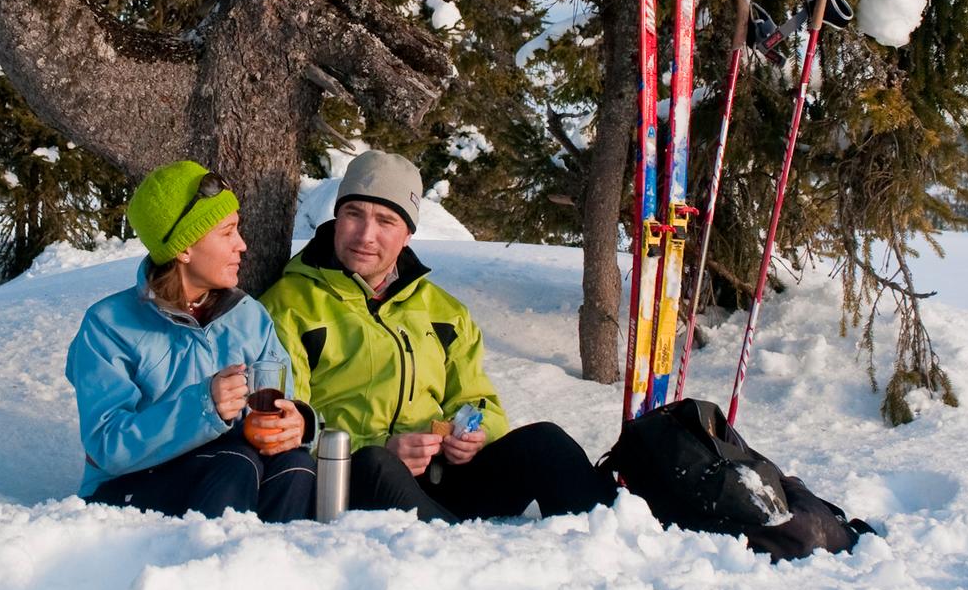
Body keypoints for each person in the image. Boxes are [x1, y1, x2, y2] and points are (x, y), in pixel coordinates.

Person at [262, 149, 618, 523]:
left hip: (443, 478)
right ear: (337, 218)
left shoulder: (443, 312)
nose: (366, 235)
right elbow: (287, 426)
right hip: (350, 480)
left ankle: (616, 546)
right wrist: (384, 446)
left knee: (545, 443)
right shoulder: (290, 305)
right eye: (354, 214)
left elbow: (481, 403)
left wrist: (472, 435)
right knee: (377, 463)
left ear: (407, 236)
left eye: (385, 221)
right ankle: (454, 557)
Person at [66, 161, 316, 521]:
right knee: (236, 460)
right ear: (184, 248)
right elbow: (107, 444)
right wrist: (204, 406)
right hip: (126, 490)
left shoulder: (249, 316)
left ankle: (274, 569)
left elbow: (279, 404)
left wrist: (295, 424)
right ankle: (201, 570)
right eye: (227, 232)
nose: (242, 245)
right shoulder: (109, 325)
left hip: (228, 470)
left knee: (295, 464)